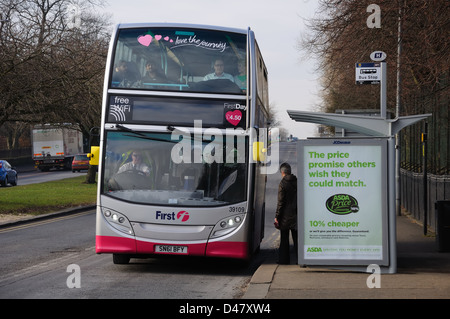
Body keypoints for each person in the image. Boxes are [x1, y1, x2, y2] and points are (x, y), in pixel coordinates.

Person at [274, 162, 298, 264]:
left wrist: (277, 216)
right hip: (297, 215)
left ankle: (284, 260)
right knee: (297, 239)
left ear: (282, 172)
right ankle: (300, 259)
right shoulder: (297, 182)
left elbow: (281, 202)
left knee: (284, 240)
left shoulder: (282, 184)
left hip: (284, 216)